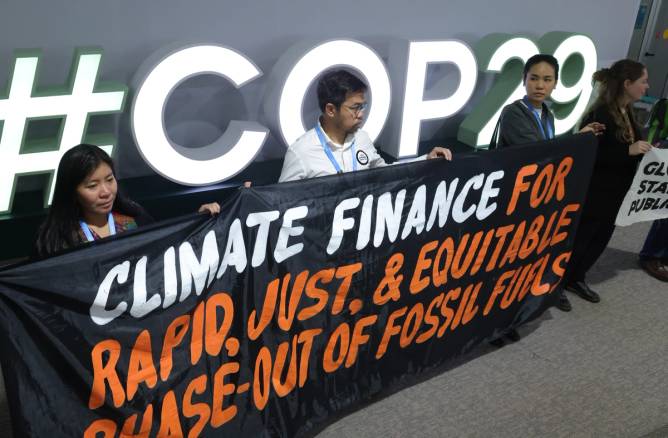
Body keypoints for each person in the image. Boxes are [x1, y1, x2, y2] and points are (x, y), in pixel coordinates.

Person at [494, 54, 604, 315]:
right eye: (534, 78)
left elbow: (550, 149)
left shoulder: (546, 113)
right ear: (524, 81)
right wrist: (578, 140)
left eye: (547, 79)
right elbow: (540, 153)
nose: (539, 85)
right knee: (512, 255)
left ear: (555, 84)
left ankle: (535, 295)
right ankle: (502, 313)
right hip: (517, 198)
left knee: (537, 249)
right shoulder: (513, 113)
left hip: (540, 196)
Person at [563, 59, 654, 300]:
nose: (647, 86)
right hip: (597, 191)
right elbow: (590, 154)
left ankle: (576, 278)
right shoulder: (601, 114)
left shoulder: (628, 113)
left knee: (600, 238)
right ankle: (559, 283)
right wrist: (628, 151)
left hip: (617, 192)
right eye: (643, 81)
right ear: (627, 84)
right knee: (582, 237)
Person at [34, 144, 220, 258]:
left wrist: (199, 221)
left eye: (109, 179)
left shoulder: (134, 218)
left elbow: (166, 251)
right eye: (92, 186)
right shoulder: (56, 241)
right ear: (72, 191)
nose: (106, 192)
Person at [278, 69, 452, 182]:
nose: (361, 114)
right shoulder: (301, 152)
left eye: (362, 106)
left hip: (362, 235)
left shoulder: (362, 139)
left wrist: (426, 160)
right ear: (331, 109)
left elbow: (384, 173)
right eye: (355, 108)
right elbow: (282, 205)